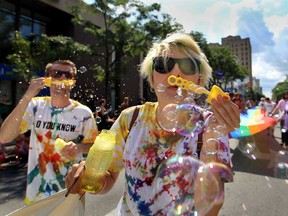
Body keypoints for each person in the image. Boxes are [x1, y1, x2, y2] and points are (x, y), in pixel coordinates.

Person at [65, 33, 240, 215]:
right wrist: (88, 178)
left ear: (200, 79)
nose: (176, 72)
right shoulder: (130, 119)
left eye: (189, 65)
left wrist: (211, 140)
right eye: (163, 64)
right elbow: (107, 179)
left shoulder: (212, 126)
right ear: (152, 78)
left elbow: (209, 209)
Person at [0, 60, 98, 204]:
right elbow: (4, 137)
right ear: (48, 80)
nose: (62, 78)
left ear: (73, 81)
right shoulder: (35, 106)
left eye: (68, 74)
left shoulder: (83, 113)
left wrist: (79, 147)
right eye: (57, 73)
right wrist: (27, 96)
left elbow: (94, 146)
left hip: (69, 194)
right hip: (37, 196)